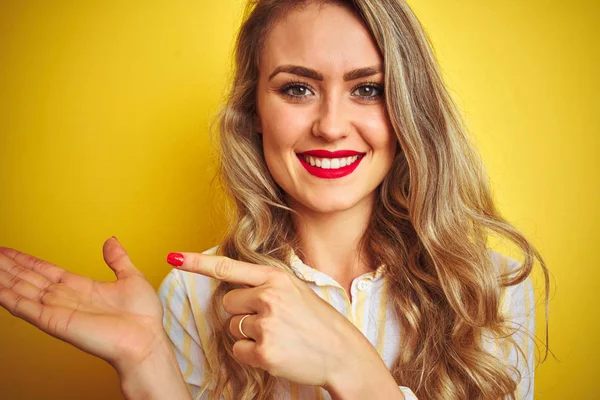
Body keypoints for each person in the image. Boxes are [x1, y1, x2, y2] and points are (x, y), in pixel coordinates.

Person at [0, 0, 549, 399]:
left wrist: (350, 366)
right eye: (297, 88)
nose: (332, 126)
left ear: (409, 107)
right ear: (255, 113)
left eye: (368, 89)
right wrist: (147, 366)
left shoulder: (489, 290)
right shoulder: (192, 296)